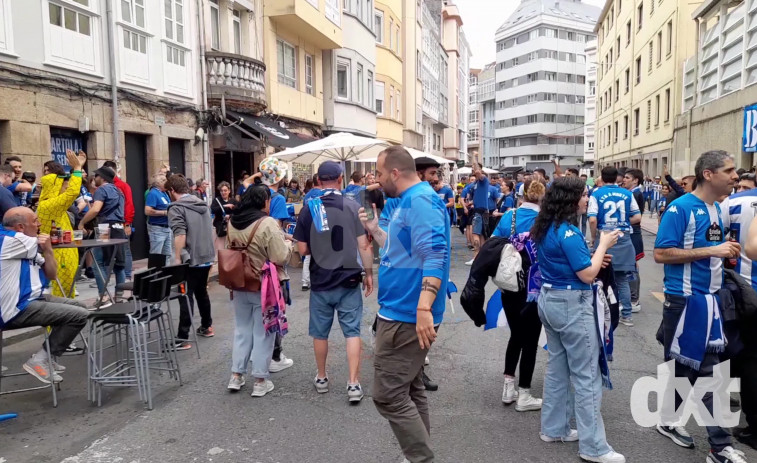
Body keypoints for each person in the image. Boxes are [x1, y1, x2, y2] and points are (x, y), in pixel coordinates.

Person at [654, 150, 747, 463]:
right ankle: (720, 447)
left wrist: (723, 254)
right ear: (708, 174)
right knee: (709, 371)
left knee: (686, 367)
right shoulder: (679, 209)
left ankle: (668, 420)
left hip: (711, 301)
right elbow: (662, 253)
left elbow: (712, 251)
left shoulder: (718, 209)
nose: (736, 176)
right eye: (730, 170)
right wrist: (713, 249)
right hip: (686, 301)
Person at [359, 146, 450, 463]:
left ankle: (420, 458)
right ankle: (418, 453)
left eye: (380, 174)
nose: (377, 180)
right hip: (401, 309)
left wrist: (423, 308)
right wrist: (373, 230)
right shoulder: (404, 201)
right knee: (410, 388)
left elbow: (434, 255)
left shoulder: (421, 201)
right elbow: (400, 248)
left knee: (387, 395)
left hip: (407, 314)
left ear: (395, 173)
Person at [531, 176, 624, 463]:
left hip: (550, 298)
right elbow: (587, 274)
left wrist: (595, 254)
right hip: (573, 303)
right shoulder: (569, 232)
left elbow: (577, 264)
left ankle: (554, 428)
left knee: (558, 368)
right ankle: (594, 447)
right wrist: (603, 245)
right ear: (571, 200)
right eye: (584, 195)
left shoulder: (546, 227)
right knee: (586, 377)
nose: (588, 200)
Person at [294, 161, 374, 403]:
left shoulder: (311, 207)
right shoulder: (352, 206)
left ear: (318, 181)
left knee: (320, 333)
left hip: (320, 279)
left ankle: (321, 377)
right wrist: (368, 273)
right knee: (351, 331)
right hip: (348, 277)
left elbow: (303, 250)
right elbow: (364, 245)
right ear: (341, 179)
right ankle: (353, 384)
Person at [0, 207, 89, 384]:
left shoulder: (25, 244)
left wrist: (47, 251)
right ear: (20, 227)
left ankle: (46, 357)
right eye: (34, 221)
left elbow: (52, 274)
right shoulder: (14, 240)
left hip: (31, 298)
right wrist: (47, 246)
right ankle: (39, 360)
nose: (39, 224)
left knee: (80, 307)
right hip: (15, 308)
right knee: (79, 316)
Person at [226, 184, 292, 397]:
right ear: (263, 201)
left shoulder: (233, 221)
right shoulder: (267, 223)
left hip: (238, 281)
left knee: (242, 330)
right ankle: (260, 380)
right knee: (263, 331)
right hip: (264, 284)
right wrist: (289, 245)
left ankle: (236, 375)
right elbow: (279, 257)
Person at [491, 179, 547, 412]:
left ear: (522, 194)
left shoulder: (509, 216)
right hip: (534, 285)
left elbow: (493, 244)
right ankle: (524, 393)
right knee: (531, 340)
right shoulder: (545, 221)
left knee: (515, 336)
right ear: (542, 198)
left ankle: (508, 386)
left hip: (510, 283)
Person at [165, 174, 216, 349]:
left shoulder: (175, 208)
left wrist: (177, 258)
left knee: (184, 294)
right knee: (201, 291)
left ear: (172, 190)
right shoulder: (201, 204)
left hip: (190, 257)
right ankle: (207, 326)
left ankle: (183, 337)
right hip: (206, 256)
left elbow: (180, 234)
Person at [588, 166, 641, 327]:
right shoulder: (627, 194)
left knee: (599, 277)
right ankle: (627, 315)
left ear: (602, 178)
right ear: (617, 178)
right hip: (623, 238)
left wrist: (594, 237)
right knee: (622, 280)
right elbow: (637, 216)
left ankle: (600, 311)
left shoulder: (596, 193)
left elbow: (592, 220)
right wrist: (621, 224)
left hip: (604, 237)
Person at [36, 150, 86, 298]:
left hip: (65, 252)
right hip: (60, 256)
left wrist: (78, 167)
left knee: (67, 293)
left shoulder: (50, 204)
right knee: (62, 296)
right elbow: (73, 192)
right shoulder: (48, 205)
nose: (66, 187)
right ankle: (57, 322)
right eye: (63, 184)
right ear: (54, 186)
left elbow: (71, 191)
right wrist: (77, 169)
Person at [78, 166, 126, 307]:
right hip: (119, 227)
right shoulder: (119, 190)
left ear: (103, 177)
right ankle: (119, 296)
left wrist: (82, 222)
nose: (95, 178)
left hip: (105, 227)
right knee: (119, 264)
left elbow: (96, 209)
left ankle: (103, 296)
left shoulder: (102, 190)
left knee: (97, 262)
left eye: (97, 176)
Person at [102, 161, 135, 280]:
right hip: (106, 224)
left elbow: (129, 205)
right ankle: (108, 276)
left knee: (124, 249)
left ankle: (126, 276)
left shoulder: (123, 186)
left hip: (121, 222)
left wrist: (127, 223)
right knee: (107, 249)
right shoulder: (103, 186)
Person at [623, 168, 646, 314]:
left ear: (635, 180)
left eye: (627, 177)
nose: (624, 180)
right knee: (629, 265)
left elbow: (637, 217)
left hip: (634, 233)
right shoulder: (631, 193)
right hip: (630, 232)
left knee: (632, 266)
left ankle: (634, 299)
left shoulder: (636, 194)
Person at [144, 173, 172, 271]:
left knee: (167, 255)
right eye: (164, 180)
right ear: (159, 183)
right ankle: (153, 277)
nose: (167, 182)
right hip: (157, 228)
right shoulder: (153, 193)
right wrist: (164, 213)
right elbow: (147, 211)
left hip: (167, 228)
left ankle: (166, 277)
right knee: (156, 255)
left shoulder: (165, 193)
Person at [466, 166, 491, 266]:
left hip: (480, 211)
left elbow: (478, 171)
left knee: (475, 233)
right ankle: (483, 258)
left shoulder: (483, 180)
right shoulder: (476, 184)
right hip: (480, 210)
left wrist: (475, 157)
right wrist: (471, 202)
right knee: (481, 234)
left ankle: (476, 258)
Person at [211, 181, 237, 259]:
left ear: (229, 191)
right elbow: (213, 209)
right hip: (221, 227)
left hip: (231, 227)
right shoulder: (216, 200)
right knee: (220, 247)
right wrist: (225, 206)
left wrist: (230, 216)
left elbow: (239, 211)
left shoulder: (233, 201)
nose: (223, 192)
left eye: (225, 190)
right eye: (222, 191)